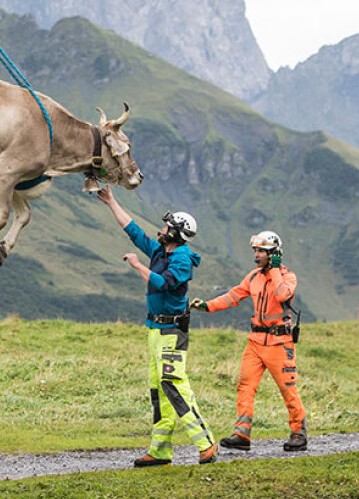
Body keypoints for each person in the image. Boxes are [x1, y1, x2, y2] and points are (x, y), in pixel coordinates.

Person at [96, 187, 217, 467]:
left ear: (175, 233)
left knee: (173, 384)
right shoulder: (161, 251)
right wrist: (112, 202)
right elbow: (134, 231)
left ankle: (206, 443)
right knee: (158, 389)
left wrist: (138, 266)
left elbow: (163, 283)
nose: (161, 229)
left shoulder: (182, 259)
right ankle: (160, 451)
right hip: (155, 330)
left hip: (172, 333)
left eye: (166, 226)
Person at [191, 230, 308, 452]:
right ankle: (241, 434)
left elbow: (283, 295)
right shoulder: (252, 277)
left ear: (274, 254)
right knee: (245, 386)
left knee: (288, 389)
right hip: (254, 342)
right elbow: (233, 296)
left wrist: (274, 269)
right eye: (255, 250)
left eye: (261, 251)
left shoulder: (288, 277)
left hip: (279, 343)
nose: (256, 255)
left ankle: (298, 434)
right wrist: (207, 306)